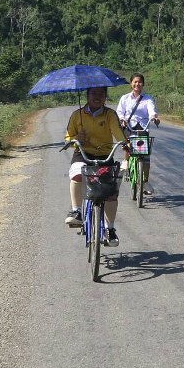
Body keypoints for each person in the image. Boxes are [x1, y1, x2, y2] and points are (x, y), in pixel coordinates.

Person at [64, 86, 129, 247]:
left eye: (101, 94)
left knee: (111, 191)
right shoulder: (76, 115)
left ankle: (110, 229)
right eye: (93, 93)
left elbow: (118, 133)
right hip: (83, 154)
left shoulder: (110, 114)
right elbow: (67, 139)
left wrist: (125, 144)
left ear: (105, 97)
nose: (97, 97)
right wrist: (75, 138)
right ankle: (76, 210)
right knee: (77, 174)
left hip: (105, 155)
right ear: (87, 95)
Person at [116, 73, 160, 196]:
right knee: (128, 142)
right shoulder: (125, 98)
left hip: (142, 127)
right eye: (135, 82)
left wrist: (153, 117)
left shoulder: (148, 98)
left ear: (143, 84)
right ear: (131, 83)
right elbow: (119, 112)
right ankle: (125, 160)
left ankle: (145, 181)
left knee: (145, 157)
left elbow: (152, 110)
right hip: (129, 126)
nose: (137, 84)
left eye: (140, 82)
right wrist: (122, 119)